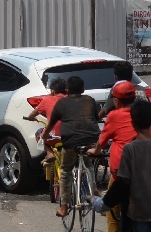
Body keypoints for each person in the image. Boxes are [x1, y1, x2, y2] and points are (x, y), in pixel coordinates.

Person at [88, 82, 151, 232]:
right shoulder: (148, 116)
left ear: (116, 101)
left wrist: (96, 151)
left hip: (122, 175)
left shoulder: (114, 115)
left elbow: (102, 142)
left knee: (112, 209)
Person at [43, 75, 101, 218]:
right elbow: (96, 118)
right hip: (92, 140)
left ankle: (64, 207)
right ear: (83, 89)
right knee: (89, 164)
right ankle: (94, 190)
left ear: (67, 90)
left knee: (65, 171)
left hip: (71, 142)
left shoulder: (62, 103)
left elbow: (51, 124)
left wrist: (44, 137)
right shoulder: (90, 100)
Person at [27, 77, 68, 163]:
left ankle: (49, 153)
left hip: (54, 137)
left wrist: (32, 118)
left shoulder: (47, 100)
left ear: (52, 91)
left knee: (38, 133)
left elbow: (31, 115)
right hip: (71, 136)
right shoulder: (71, 100)